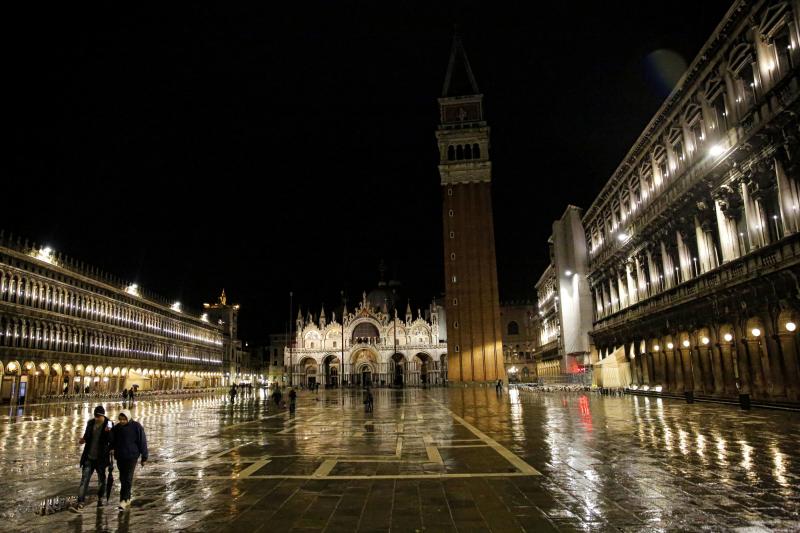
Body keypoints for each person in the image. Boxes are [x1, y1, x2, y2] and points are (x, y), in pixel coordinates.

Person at [71, 406, 113, 511]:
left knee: (101, 481)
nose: (96, 418)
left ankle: (100, 498)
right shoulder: (90, 423)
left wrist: (108, 432)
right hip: (89, 457)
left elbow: (112, 439)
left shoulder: (109, 424)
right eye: (95, 416)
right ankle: (80, 502)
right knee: (84, 480)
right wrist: (83, 440)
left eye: (98, 416)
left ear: (103, 415)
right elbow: (87, 436)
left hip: (101, 459)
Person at [110, 409, 148, 510]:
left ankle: (123, 499)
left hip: (132, 457)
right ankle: (127, 498)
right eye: (120, 419)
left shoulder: (136, 427)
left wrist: (144, 457)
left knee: (127, 478)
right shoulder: (117, 428)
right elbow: (111, 439)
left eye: (124, 419)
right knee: (123, 478)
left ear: (128, 418)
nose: (122, 421)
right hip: (120, 457)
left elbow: (142, 441)